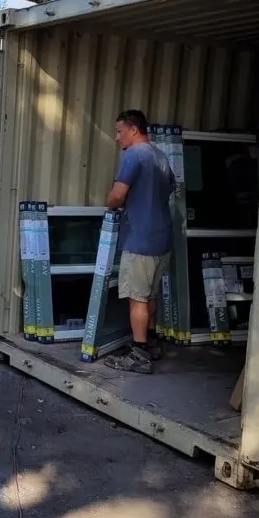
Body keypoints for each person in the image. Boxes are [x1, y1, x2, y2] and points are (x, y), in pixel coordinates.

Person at [104, 109, 175, 375]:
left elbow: (117, 195)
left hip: (140, 238)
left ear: (134, 129)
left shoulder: (134, 155)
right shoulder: (160, 156)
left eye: (120, 131)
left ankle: (138, 352)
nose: (117, 137)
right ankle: (152, 343)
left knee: (137, 298)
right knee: (150, 294)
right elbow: (170, 187)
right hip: (162, 236)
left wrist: (110, 204)